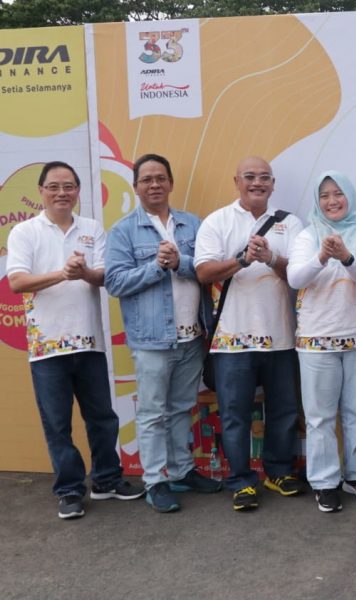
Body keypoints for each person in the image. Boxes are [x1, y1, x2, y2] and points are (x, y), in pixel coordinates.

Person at [7, 161, 144, 519]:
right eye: (54, 186)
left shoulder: (92, 228)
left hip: (90, 342)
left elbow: (105, 277)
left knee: (102, 417)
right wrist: (62, 273)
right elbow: (17, 281)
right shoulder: (25, 232)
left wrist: (84, 272)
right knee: (57, 423)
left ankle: (106, 480)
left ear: (78, 191)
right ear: (41, 191)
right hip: (47, 347)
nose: (62, 193)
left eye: (68, 186)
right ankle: (69, 490)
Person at [105, 154, 223, 513]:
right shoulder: (123, 231)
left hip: (192, 336)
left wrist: (179, 263)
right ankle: (155, 480)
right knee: (153, 413)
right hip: (152, 341)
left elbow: (206, 269)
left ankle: (182, 471)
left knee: (182, 408)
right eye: (146, 179)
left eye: (160, 178)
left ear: (170, 183)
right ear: (136, 187)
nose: (154, 184)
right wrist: (156, 266)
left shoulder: (193, 224)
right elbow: (115, 282)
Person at [194, 157, 304, 511]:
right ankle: (240, 481)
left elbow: (300, 276)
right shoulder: (217, 221)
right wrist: (242, 260)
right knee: (234, 414)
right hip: (232, 338)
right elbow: (203, 272)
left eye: (264, 177)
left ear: (273, 184)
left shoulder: (290, 223)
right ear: (236, 181)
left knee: (284, 410)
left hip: (281, 336)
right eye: (250, 177)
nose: (257, 183)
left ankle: (278, 472)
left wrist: (271, 258)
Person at [287, 171, 356, 513]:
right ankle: (324, 482)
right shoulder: (308, 235)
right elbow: (295, 278)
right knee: (320, 417)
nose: (332, 201)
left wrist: (347, 257)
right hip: (316, 339)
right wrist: (322, 256)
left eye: (338, 193)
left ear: (349, 195)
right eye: (324, 195)